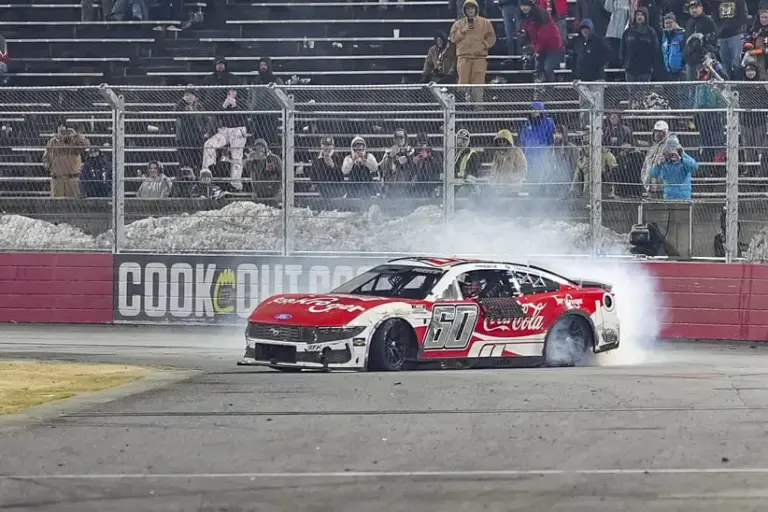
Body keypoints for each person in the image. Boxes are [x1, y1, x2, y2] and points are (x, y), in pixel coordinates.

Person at [201, 58, 246, 192]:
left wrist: (236, 105)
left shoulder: (242, 101)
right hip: (224, 130)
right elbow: (217, 114)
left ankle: (235, 184)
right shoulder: (223, 102)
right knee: (209, 144)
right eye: (229, 91)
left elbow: (246, 115)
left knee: (236, 157)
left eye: (233, 91)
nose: (231, 93)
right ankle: (207, 174)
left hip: (238, 130)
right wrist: (223, 106)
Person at [449, 0, 496, 103]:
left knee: (478, 85)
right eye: (468, 9)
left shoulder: (485, 23)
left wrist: (484, 45)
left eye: (472, 8)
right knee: (463, 84)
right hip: (463, 58)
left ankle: (478, 109)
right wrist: (463, 31)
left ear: (476, 9)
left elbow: (491, 37)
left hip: (479, 58)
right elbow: (452, 38)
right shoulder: (458, 24)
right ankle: (463, 109)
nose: (470, 11)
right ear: (464, 10)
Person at [43, 120, 90, 199]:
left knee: (73, 204)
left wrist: (76, 135)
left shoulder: (74, 141)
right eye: (60, 127)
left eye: (64, 127)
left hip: (72, 179)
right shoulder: (52, 142)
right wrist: (49, 165)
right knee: (56, 204)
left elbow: (85, 145)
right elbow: (46, 157)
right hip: (57, 179)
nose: (62, 130)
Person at [519, 0, 564, 82]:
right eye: (522, 6)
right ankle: (541, 91)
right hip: (540, 48)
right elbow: (527, 33)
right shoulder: (524, 17)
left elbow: (543, 34)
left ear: (531, 5)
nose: (524, 8)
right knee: (539, 71)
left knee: (547, 68)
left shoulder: (541, 14)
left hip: (553, 47)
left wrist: (537, 50)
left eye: (526, 5)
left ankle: (550, 90)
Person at [650, 136, 698, 200]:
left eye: (673, 148)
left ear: (678, 148)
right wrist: (658, 164)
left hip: (684, 197)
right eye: (669, 148)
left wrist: (681, 159)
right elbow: (654, 173)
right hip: (669, 196)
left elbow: (694, 167)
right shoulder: (664, 160)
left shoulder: (684, 158)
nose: (672, 151)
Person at [712, 0, 747, 79]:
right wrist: (720, 28)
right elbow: (714, 16)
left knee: (736, 62)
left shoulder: (740, 2)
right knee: (725, 63)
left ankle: (738, 85)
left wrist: (728, 25)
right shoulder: (716, 2)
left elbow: (743, 17)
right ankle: (728, 85)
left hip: (736, 34)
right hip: (721, 36)